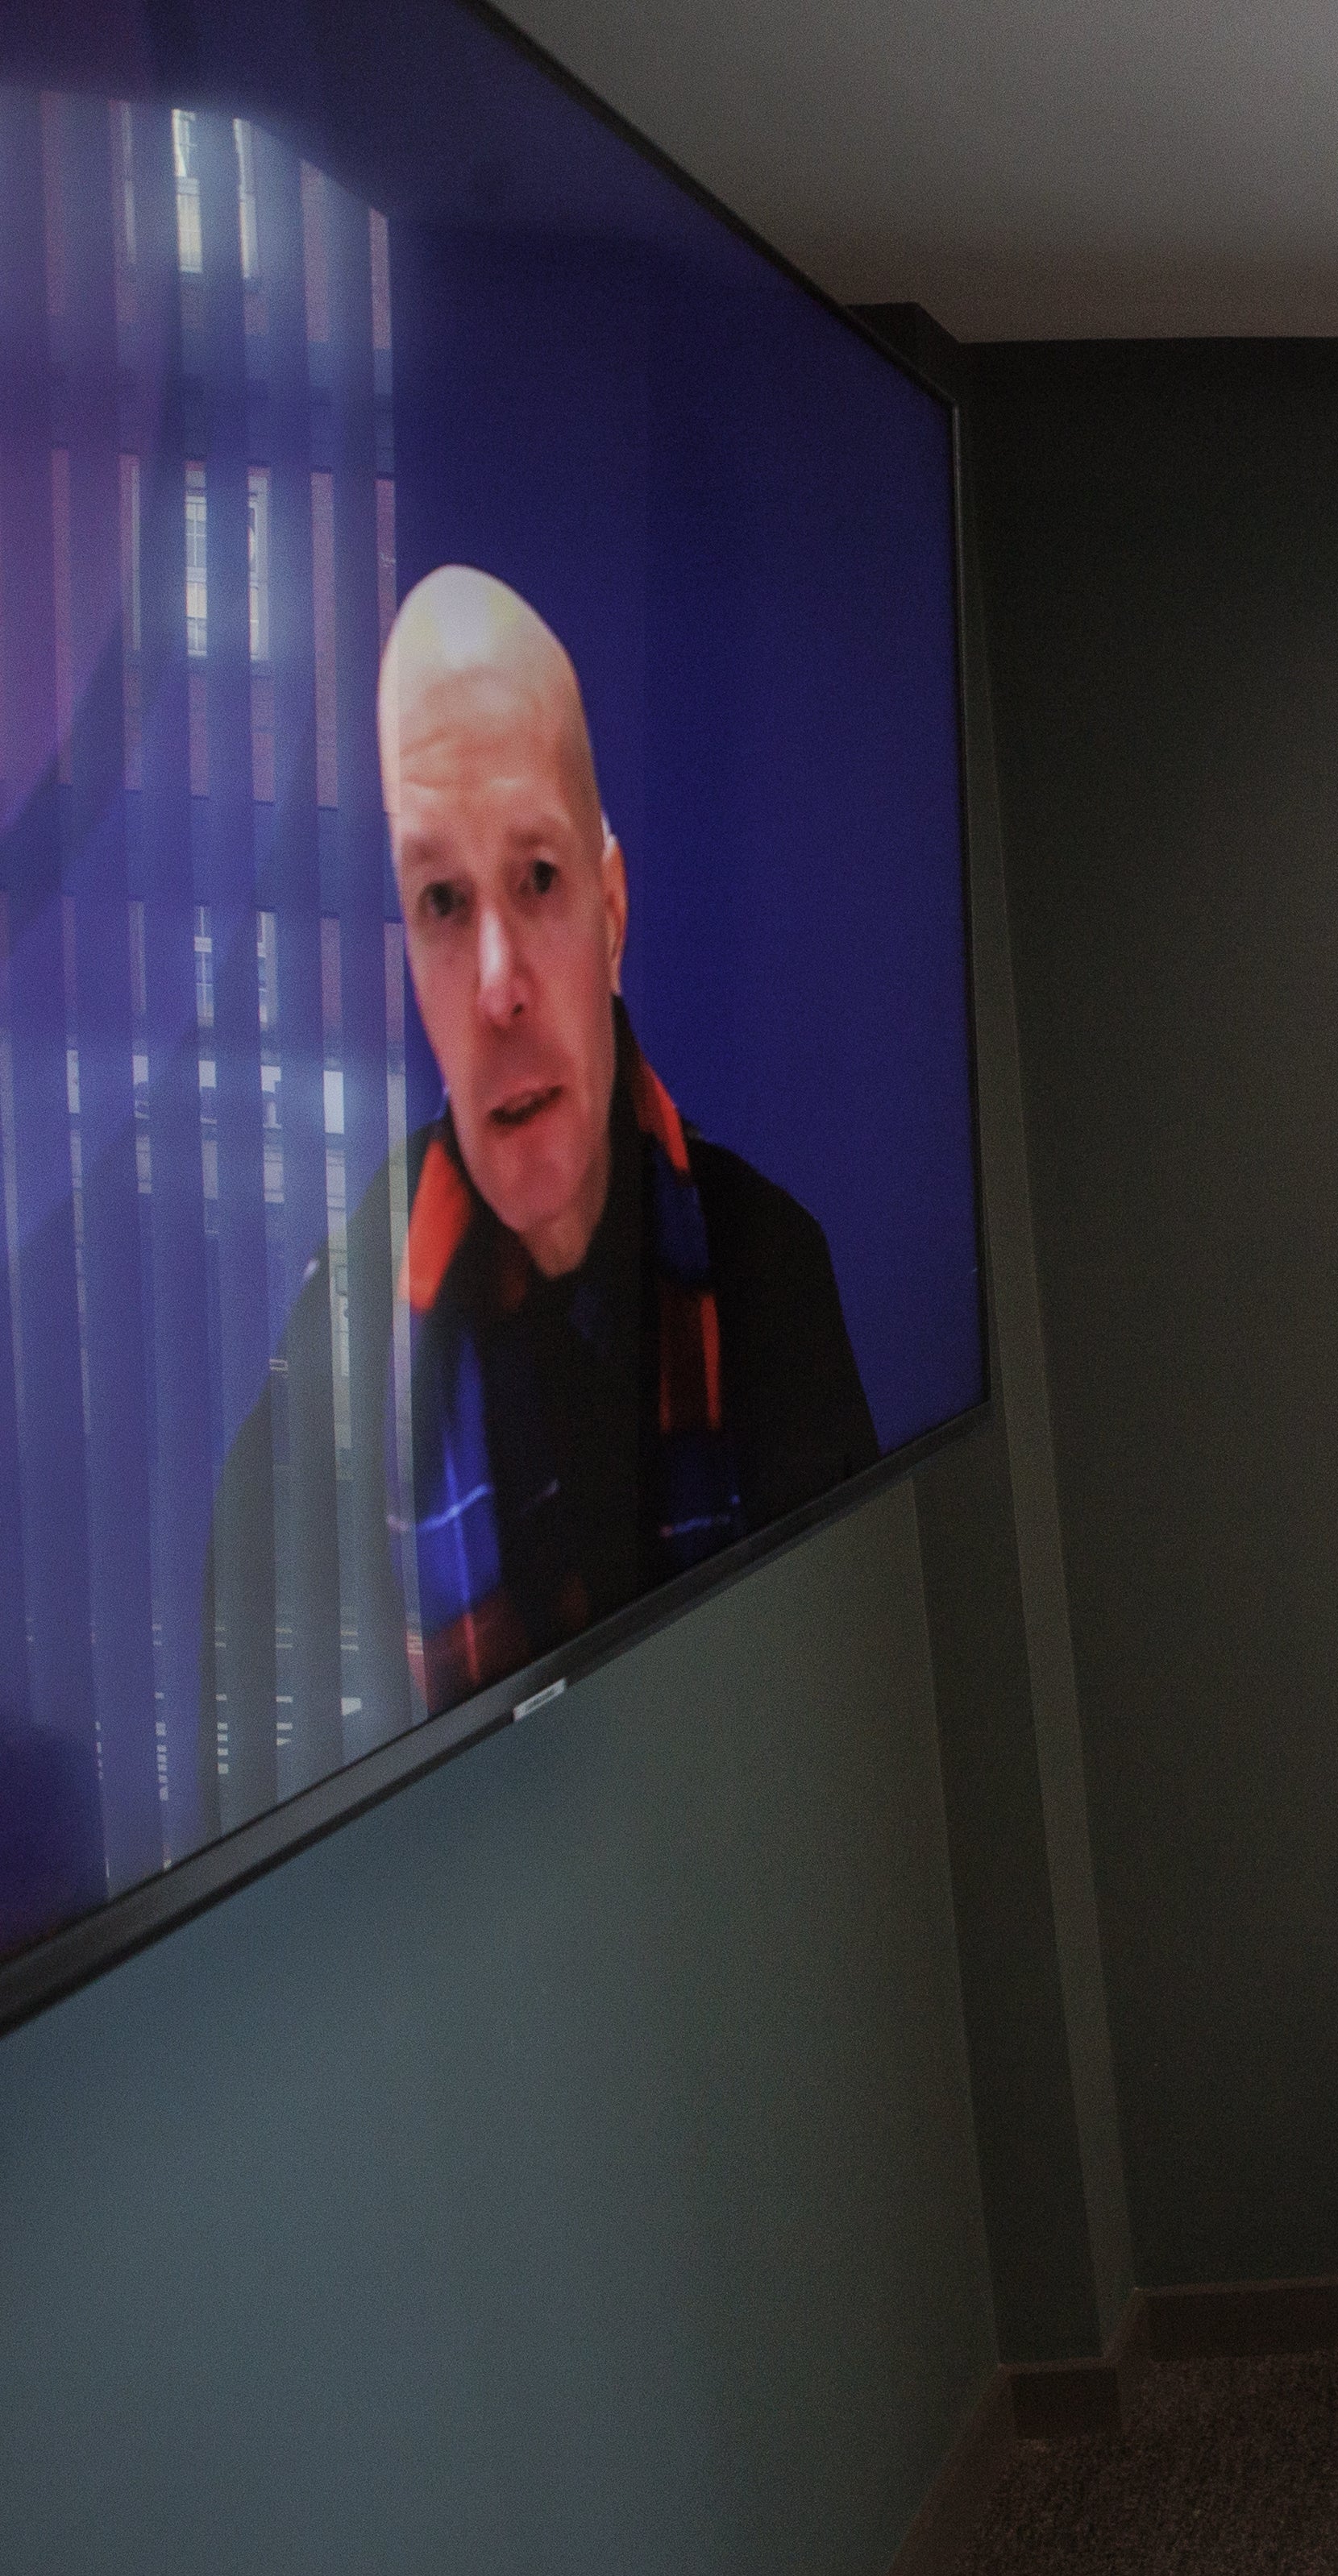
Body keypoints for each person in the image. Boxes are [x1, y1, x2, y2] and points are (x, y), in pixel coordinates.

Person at [202, 566, 877, 1814]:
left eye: (539, 878)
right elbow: (238, 1756)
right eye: (443, 901)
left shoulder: (773, 1268)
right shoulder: (341, 1329)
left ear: (612, 910)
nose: (499, 982)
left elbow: (841, 1714)